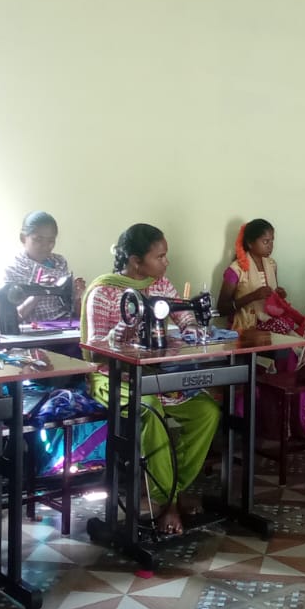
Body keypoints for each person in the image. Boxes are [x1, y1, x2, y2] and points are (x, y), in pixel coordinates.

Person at [82, 223, 221, 535]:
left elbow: (184, 317)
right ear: (136, 261)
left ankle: (171, 488)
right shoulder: (102, 292)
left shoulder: (161, 285)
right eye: (160, 257)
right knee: (150, 411)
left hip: (152, 376)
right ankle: (166, 501)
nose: (166, 262)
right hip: (110, 377)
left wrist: (193, 329)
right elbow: (95, 347)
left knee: (207, 412)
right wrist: (125, 327)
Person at [0, 211, 85, 325]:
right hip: (30, 331)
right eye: (38, 239)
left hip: (63, 325)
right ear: (23, 238)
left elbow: (72, 311)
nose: (46, 245)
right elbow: (5, 321)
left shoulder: (59, 262)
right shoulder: (11, 270)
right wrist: (39, 293)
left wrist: (76, 297)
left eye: (51, 240)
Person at [217, 218, 305, 335]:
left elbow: (271, 299)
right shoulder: (236, 270)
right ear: (250, 243)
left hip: (270, 320)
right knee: (290, 336)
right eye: (265, 242)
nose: (270, 246)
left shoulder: (271, 265)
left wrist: (279, 295)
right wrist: (253, 296)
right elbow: (222, 309)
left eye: (272, 241)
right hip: (246, 325)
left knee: (300, 330)